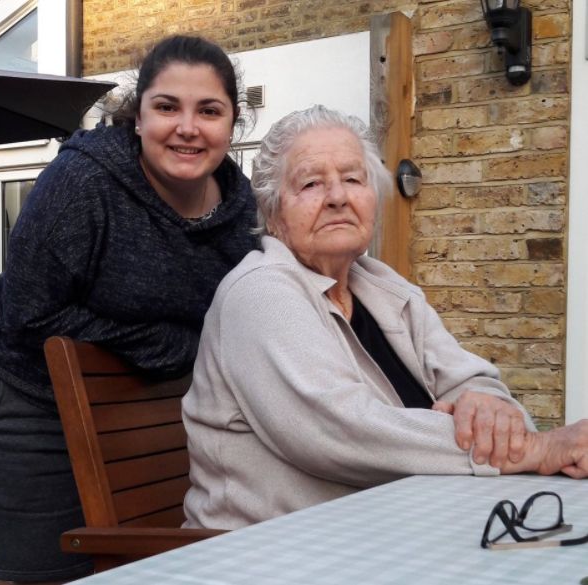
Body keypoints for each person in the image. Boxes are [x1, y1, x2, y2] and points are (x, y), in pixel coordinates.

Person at [182, 105, 588, 530]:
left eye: (354, 179)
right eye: (311, 183)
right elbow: (340, 431)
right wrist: (531, 449)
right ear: (273, 211)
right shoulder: (260, 292)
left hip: (391, 534)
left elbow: (472, 379)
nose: (338, 196)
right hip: (269, 555)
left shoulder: (380, 285)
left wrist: (485, 405)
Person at [0, 35, 258, 583]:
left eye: (208, 111)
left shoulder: (241, 213)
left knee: (149, 566)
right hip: (24, 402)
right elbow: (29, 313)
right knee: (48, 572)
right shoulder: (83, 182)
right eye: (166, 107)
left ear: (232, 126)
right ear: (137, 118)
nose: (187, 127)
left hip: (141, 408)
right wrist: (173, 346)